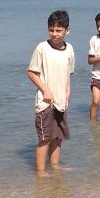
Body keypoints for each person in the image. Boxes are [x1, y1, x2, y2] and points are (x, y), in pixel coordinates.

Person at [27, 9, 75, 174]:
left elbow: (68, 74)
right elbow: (31, 73)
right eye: (51, 30)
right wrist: (46, 90)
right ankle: (40, 173)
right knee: (45, 138)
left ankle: (55, 167)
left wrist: (67, 93)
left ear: (67, 30)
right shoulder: (42, 48)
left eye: (58, 30)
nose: (54, 34)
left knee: (58, 137)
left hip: (61, 102)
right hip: (45, 102)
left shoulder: (69, 49)